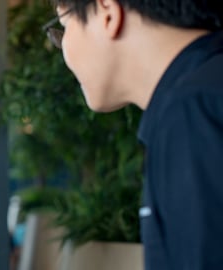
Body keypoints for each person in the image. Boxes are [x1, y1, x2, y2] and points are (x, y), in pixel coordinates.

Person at [44, 0, 223, 269]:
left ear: (106, 12)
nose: (62, 48)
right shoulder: (206, 88)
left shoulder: (191, 112)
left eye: (63, 26)